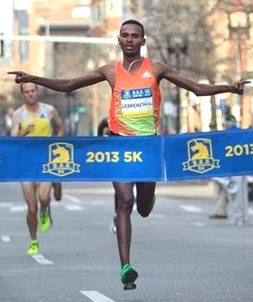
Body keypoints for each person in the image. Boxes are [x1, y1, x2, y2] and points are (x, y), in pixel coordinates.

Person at [8, 19, 250, 289]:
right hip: (119, 145)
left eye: (136, 36)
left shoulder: (156, 68)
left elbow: (196, 88)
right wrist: (32, 78)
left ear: (143, 41)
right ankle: (125, 266)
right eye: (125, 35)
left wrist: (229, 88)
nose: (130, 40)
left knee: (143, 209)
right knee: (124, 201)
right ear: (119, 40)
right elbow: (68, 85)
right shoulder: (110, 71)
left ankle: (149, 195)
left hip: (147, 147)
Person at [10, 82, 64, 255]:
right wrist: (24, 133)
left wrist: (57, 140)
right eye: (27, 92)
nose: (30, 94)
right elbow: (13, 142)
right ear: (23, 95)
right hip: (26, 164)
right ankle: (34, 240)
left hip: (45, 162)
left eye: (33, 91)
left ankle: (46, 211)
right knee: (31, 207)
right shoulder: (18, 115)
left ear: (37, 91)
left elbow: (61, 126)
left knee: (43, 196)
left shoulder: (49, 110)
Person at [209, 115, 249, 226]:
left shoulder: (229, 135)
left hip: (234, 169)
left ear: (229, 122)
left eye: (224, 123)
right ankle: (244, 217)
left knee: (235, 196)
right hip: (244, 167)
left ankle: (238, 218)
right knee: (243, 196)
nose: (224, 126)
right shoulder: (241, 133)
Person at [97, 117, 117, 233]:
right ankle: (117, 216)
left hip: (139, 154)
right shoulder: (112, 119)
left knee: (143, 209)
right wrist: (100, 142)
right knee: (123, 194)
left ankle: (148, 197)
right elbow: (102, 124)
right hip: (120, 158)